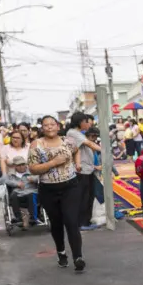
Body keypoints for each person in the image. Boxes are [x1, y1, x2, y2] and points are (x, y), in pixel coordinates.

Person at [29, 115, 84, 272]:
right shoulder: (36, 145)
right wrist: (53, 163)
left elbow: (77, 151)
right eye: (46, 125)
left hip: (70, 186)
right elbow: (32, 168)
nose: (50, 127)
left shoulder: (68, 141)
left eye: (52, 124)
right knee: (57, 223)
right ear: (42, 128)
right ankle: (61, 253)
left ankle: (78, 257)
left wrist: (78, 164)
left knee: (71, 220)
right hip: (48, 189)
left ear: (58, 126)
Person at [65, 113, 101, 230]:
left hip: (88, 169)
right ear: (80, 122)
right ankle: (82, 223)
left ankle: (86, 221)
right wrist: (104, 150)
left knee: (89, 195)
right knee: (83, 197)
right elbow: (89, 144)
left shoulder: (79, 133)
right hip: (82, 170)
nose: (88, 124)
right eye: (87, 122)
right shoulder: (73, 133)